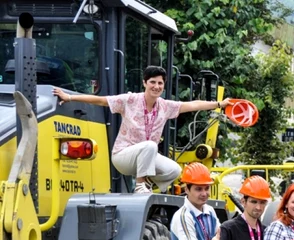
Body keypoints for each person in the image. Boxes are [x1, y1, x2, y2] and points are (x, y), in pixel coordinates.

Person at [53, 66, 237, 194]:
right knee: (149, 145)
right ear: (144, 83)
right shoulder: (129, 100)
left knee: (174, 170)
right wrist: (69, 97)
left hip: (146, 156)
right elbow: (101, 100)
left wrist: (219, 104)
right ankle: (140, 185)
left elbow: (192, 105)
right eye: (153, 82)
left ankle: (146, 182)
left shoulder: (165, 106)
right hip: (123, 155)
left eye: (160, 83)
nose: (156, 86)